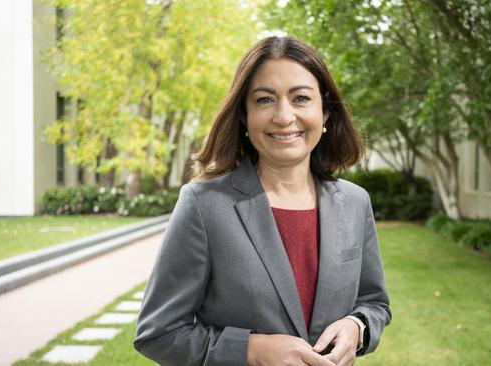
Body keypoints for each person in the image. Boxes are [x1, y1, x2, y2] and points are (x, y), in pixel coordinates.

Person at [133, 36, 391, 366]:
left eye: (300, 98)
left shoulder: (355, 203)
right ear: (244, 115)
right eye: (265, 99)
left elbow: (374, 303)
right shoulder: (203, 204)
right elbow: (158, 333)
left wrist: (358, 326)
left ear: (325, 113)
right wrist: (250, 351)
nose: (284, 117)